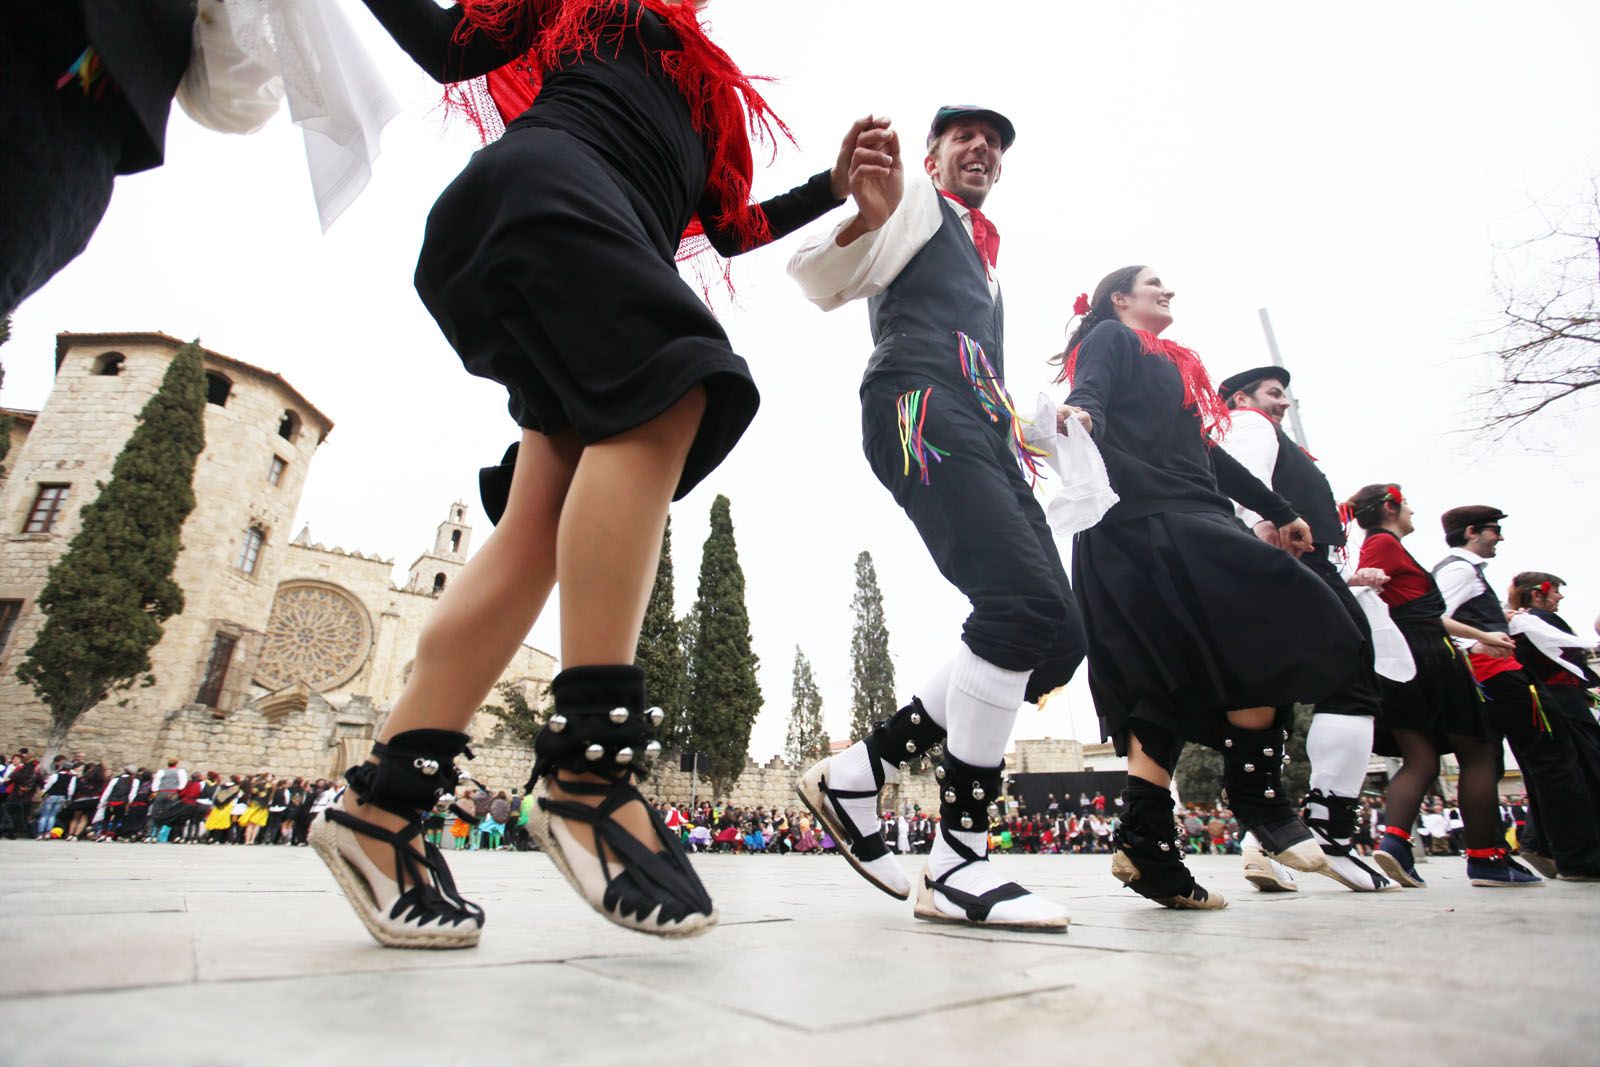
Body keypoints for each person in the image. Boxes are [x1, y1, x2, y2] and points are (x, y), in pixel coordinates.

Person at [320, 0, 874, 946]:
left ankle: (384, 808)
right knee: (674, 385)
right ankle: (587, 770)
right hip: (547, 186)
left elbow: (729, 229)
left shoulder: (718, 102)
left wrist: (835, 185)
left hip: (584, 231)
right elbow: (453, 46)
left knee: (538, 518)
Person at [788, 105, 1079, 931]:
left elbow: (983, 369)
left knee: (1059, 634)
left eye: (996, 142)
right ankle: (958, 860)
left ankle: (859, 769)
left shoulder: (988, 269)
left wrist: (1048, 430)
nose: (983, 147)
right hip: (918, 404)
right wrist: (862, 209)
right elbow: (813, 272)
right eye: (966, 135)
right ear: (934, 154)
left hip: (983, 425)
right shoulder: (913, 204)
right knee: (1018, 605)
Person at [1055, 265, 1366, 909]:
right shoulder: (1116, 339)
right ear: (1121, 299)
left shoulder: (1170, 363)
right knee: (1271, 625)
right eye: (1153, 283)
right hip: (1149, 521)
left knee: (1165, 683)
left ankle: (1146, 841)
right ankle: (1257, 797)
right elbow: (1092, 393)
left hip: (1173, 518)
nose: (1167, 290)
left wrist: (1280, 510)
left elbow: (1206, 452)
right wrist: (1080, 413)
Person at [1214, 365, 1392, 893]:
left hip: (1296, 565)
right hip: (1291, 565)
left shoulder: (1263, 432)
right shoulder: (1248, 425)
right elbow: (1243, 486)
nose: (1283, 403)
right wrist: (1261, 530)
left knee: (1280, 697)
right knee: (1352, 680)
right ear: (1242, 397)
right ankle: (1330, 830)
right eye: (1274, 393)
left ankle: (1264, 841)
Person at [1346, 485, 1544, 887]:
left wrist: (1482, 635)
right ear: (1390, 507)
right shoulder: (1383, 543)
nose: (1413, 513)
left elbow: (1424, 612)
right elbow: (1363, 586)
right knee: (1479, 750)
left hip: (1405, 652)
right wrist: (1361, 576)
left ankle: (1396, 843)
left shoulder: (1387, 546)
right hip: (1427, 657)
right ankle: (1485, 857)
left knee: (1420, 758)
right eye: (1408, 506)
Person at [1432, 507, 1600, 880]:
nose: (1500, 537)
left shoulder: (1464, 570)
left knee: (1503, 763)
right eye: (1495, 530)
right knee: (1556, 761)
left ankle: (1510, 850)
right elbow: (1432, 615)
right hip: (1500, 677)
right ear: (1472, 532)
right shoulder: (1459, 569)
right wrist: (1477, 642)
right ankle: (1576, 857)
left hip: (1489, 680)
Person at [1507, 572, 1600, 830]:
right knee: (1585, 768)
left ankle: (1537, 840)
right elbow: (1571, 659)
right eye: (1555, 591)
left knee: (1558, 773)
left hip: (1548, 701)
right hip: (1563, 701)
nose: (1560, 596)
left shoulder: (1520, 622)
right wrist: (1591, 686)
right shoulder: (1540, 620)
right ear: (1537, 594)